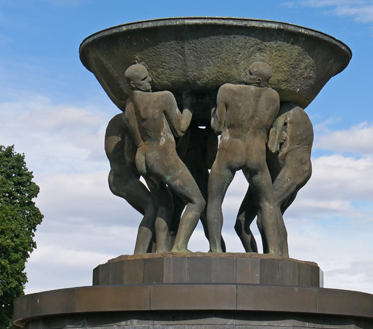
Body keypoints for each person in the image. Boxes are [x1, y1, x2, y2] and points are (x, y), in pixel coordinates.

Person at [124, 64, 205, 253]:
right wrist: (189, 107)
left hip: (142, 158)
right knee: (197, 202)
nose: (150, 81)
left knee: (164, 204)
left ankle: (158, 251)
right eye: (144, 79)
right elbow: (181, 128)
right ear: (134, 84)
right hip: (162, 157)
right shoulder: (163, 98)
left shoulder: (129, 105)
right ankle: (179, 246)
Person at [207, 62, 282, 254]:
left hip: (231, 150)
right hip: (256, 154)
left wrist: (212, 113)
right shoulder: (274, 97)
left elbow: (216, 127)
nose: (244, 74)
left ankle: (215, 248)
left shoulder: (227, 90)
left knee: (215, 200)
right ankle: (273, 251)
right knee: (267, 202)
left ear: (257, 79)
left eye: (248, 73)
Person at [235, 102, 313, 256]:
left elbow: (272, 145)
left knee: (271, 205)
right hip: (270, 171)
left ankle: (279, 256)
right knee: (244, 222)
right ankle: (259, 258)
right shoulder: (273, 113)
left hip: (295, 167)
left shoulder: (287, 112)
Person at [105, 113, 171, 253]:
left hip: (122, 177)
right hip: (122, 179)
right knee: (152, 206)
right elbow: (132, 158)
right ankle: (140, 252)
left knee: (157, 208)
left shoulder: (118, 122)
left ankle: (152, 250)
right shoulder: (125, 122)